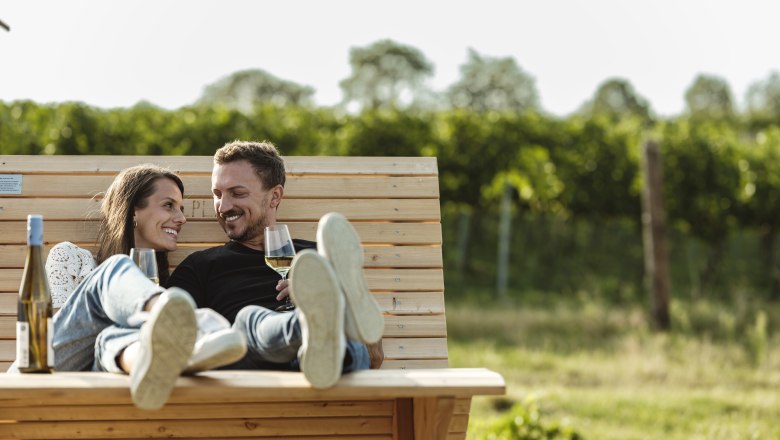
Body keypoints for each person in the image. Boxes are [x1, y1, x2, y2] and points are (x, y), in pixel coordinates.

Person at [16, 164, 245, 410]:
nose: (181, 218)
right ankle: (192, 325)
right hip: (47, 370)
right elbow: (54, 339)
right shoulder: (71, 257)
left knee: (113, 335)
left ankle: (167, 356)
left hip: (101, 395)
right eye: (168, 205)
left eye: (181, 208)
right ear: (133, 211)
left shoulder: (165, 282)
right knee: (115, 270)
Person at [167, 140, 385, 388]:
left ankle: (326, 321)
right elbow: (171, 340)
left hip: (322, 372)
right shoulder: (200, 267)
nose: (224, 206)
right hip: (252, 373)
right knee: (247, 321)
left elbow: (374, 356)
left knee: (346, 343)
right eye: (217, 194)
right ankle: (311, 320)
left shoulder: (318, 257)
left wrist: (328, 295)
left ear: (275, 196)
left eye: (238, 193)